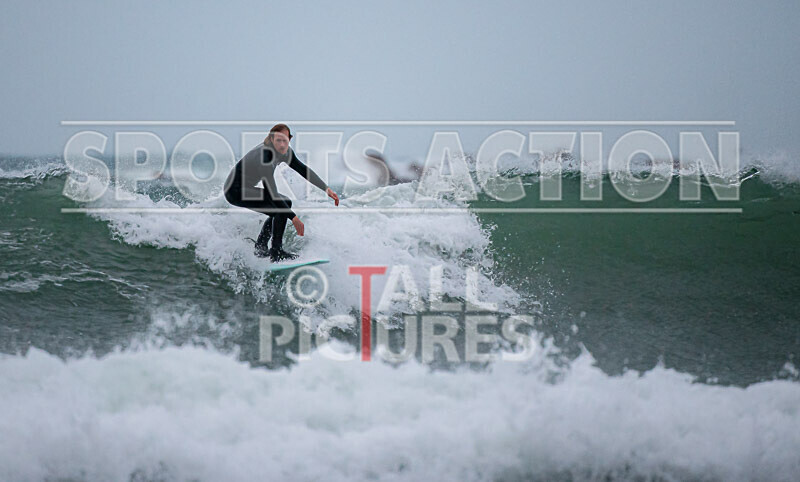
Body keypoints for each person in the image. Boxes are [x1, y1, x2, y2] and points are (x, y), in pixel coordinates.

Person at [224, 124, 339, 261]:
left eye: (285, 140)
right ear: (272, 139)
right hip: (234, 191)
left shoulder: (286, 152)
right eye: (278, 140)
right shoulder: (265, 156)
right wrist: (294, 218)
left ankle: (261, 247)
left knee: (285, 203)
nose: (282, 144)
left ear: (290, 139)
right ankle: (276, 251)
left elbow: (303, 170)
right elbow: (271, 191)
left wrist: (326, 189)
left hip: (246, 188)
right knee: (280, 208)